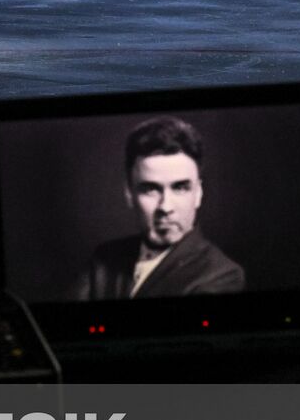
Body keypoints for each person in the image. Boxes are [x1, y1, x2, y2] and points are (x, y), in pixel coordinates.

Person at [78, 116, 246, 299]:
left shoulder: (222, 275)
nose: (165, 207)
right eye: (150, 189)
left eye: (180, 188)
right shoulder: (105, 258)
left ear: (198, 193)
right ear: (129, 193)